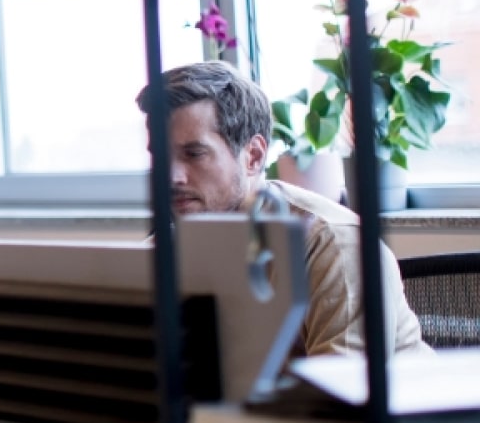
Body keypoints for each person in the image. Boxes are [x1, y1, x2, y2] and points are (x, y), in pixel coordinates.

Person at [138, 61, 431, 356]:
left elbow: (340, 396)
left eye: (194, 154)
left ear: (253, 156)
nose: (171, 176)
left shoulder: (332, 244)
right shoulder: (166, 248)